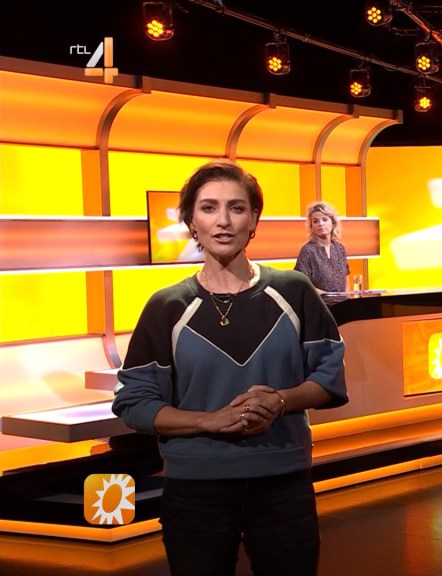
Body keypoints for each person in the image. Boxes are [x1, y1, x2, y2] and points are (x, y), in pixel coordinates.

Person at [112, 159, 348, 576]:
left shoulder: (293, 291)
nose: (223, 221)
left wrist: (280, 400)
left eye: (237, 208)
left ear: (254, 219)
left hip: (282, 480)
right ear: (191, 221)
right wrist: (208, 421)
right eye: (208, 208)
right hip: (195, 488)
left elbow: (328, 378)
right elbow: (135, 402)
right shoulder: (167, 306)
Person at [295, 201, 350, 293]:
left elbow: (346, 277)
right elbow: (302, 284)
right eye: (315, 221)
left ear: (333, 222)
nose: (320, 224)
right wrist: (327, 295)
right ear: (312, 226)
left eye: (324, 219)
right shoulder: (308, 250)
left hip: (342, 300)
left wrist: (345, 296)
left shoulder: (339, 248)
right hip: (318, 300)